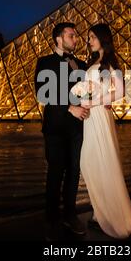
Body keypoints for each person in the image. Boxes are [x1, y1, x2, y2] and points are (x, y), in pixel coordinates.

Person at [79, 23, 131, 239]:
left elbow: (121, 92)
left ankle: (106, 216)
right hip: (90, 117)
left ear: (103, 38)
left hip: (98, 116)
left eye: (92, 37)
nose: (89, 41)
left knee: (97, 161)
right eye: (88, 37)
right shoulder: (92, 62)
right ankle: (100, 213)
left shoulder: (110, 63)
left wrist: (94, 101)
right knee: (92, 162)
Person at [34, 22, 89, 240]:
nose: (76, 39)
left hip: (76, 127)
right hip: (55, 126)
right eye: (71, 35)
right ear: (59, 38)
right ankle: (51, 218)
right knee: (55, 172)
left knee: (74, 172)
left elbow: (87, 92)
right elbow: (42, 93)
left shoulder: (81, 64)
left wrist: (100, 102)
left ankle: (69, 214)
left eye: (75, 36)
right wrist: (70, 107)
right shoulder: (45, 62)